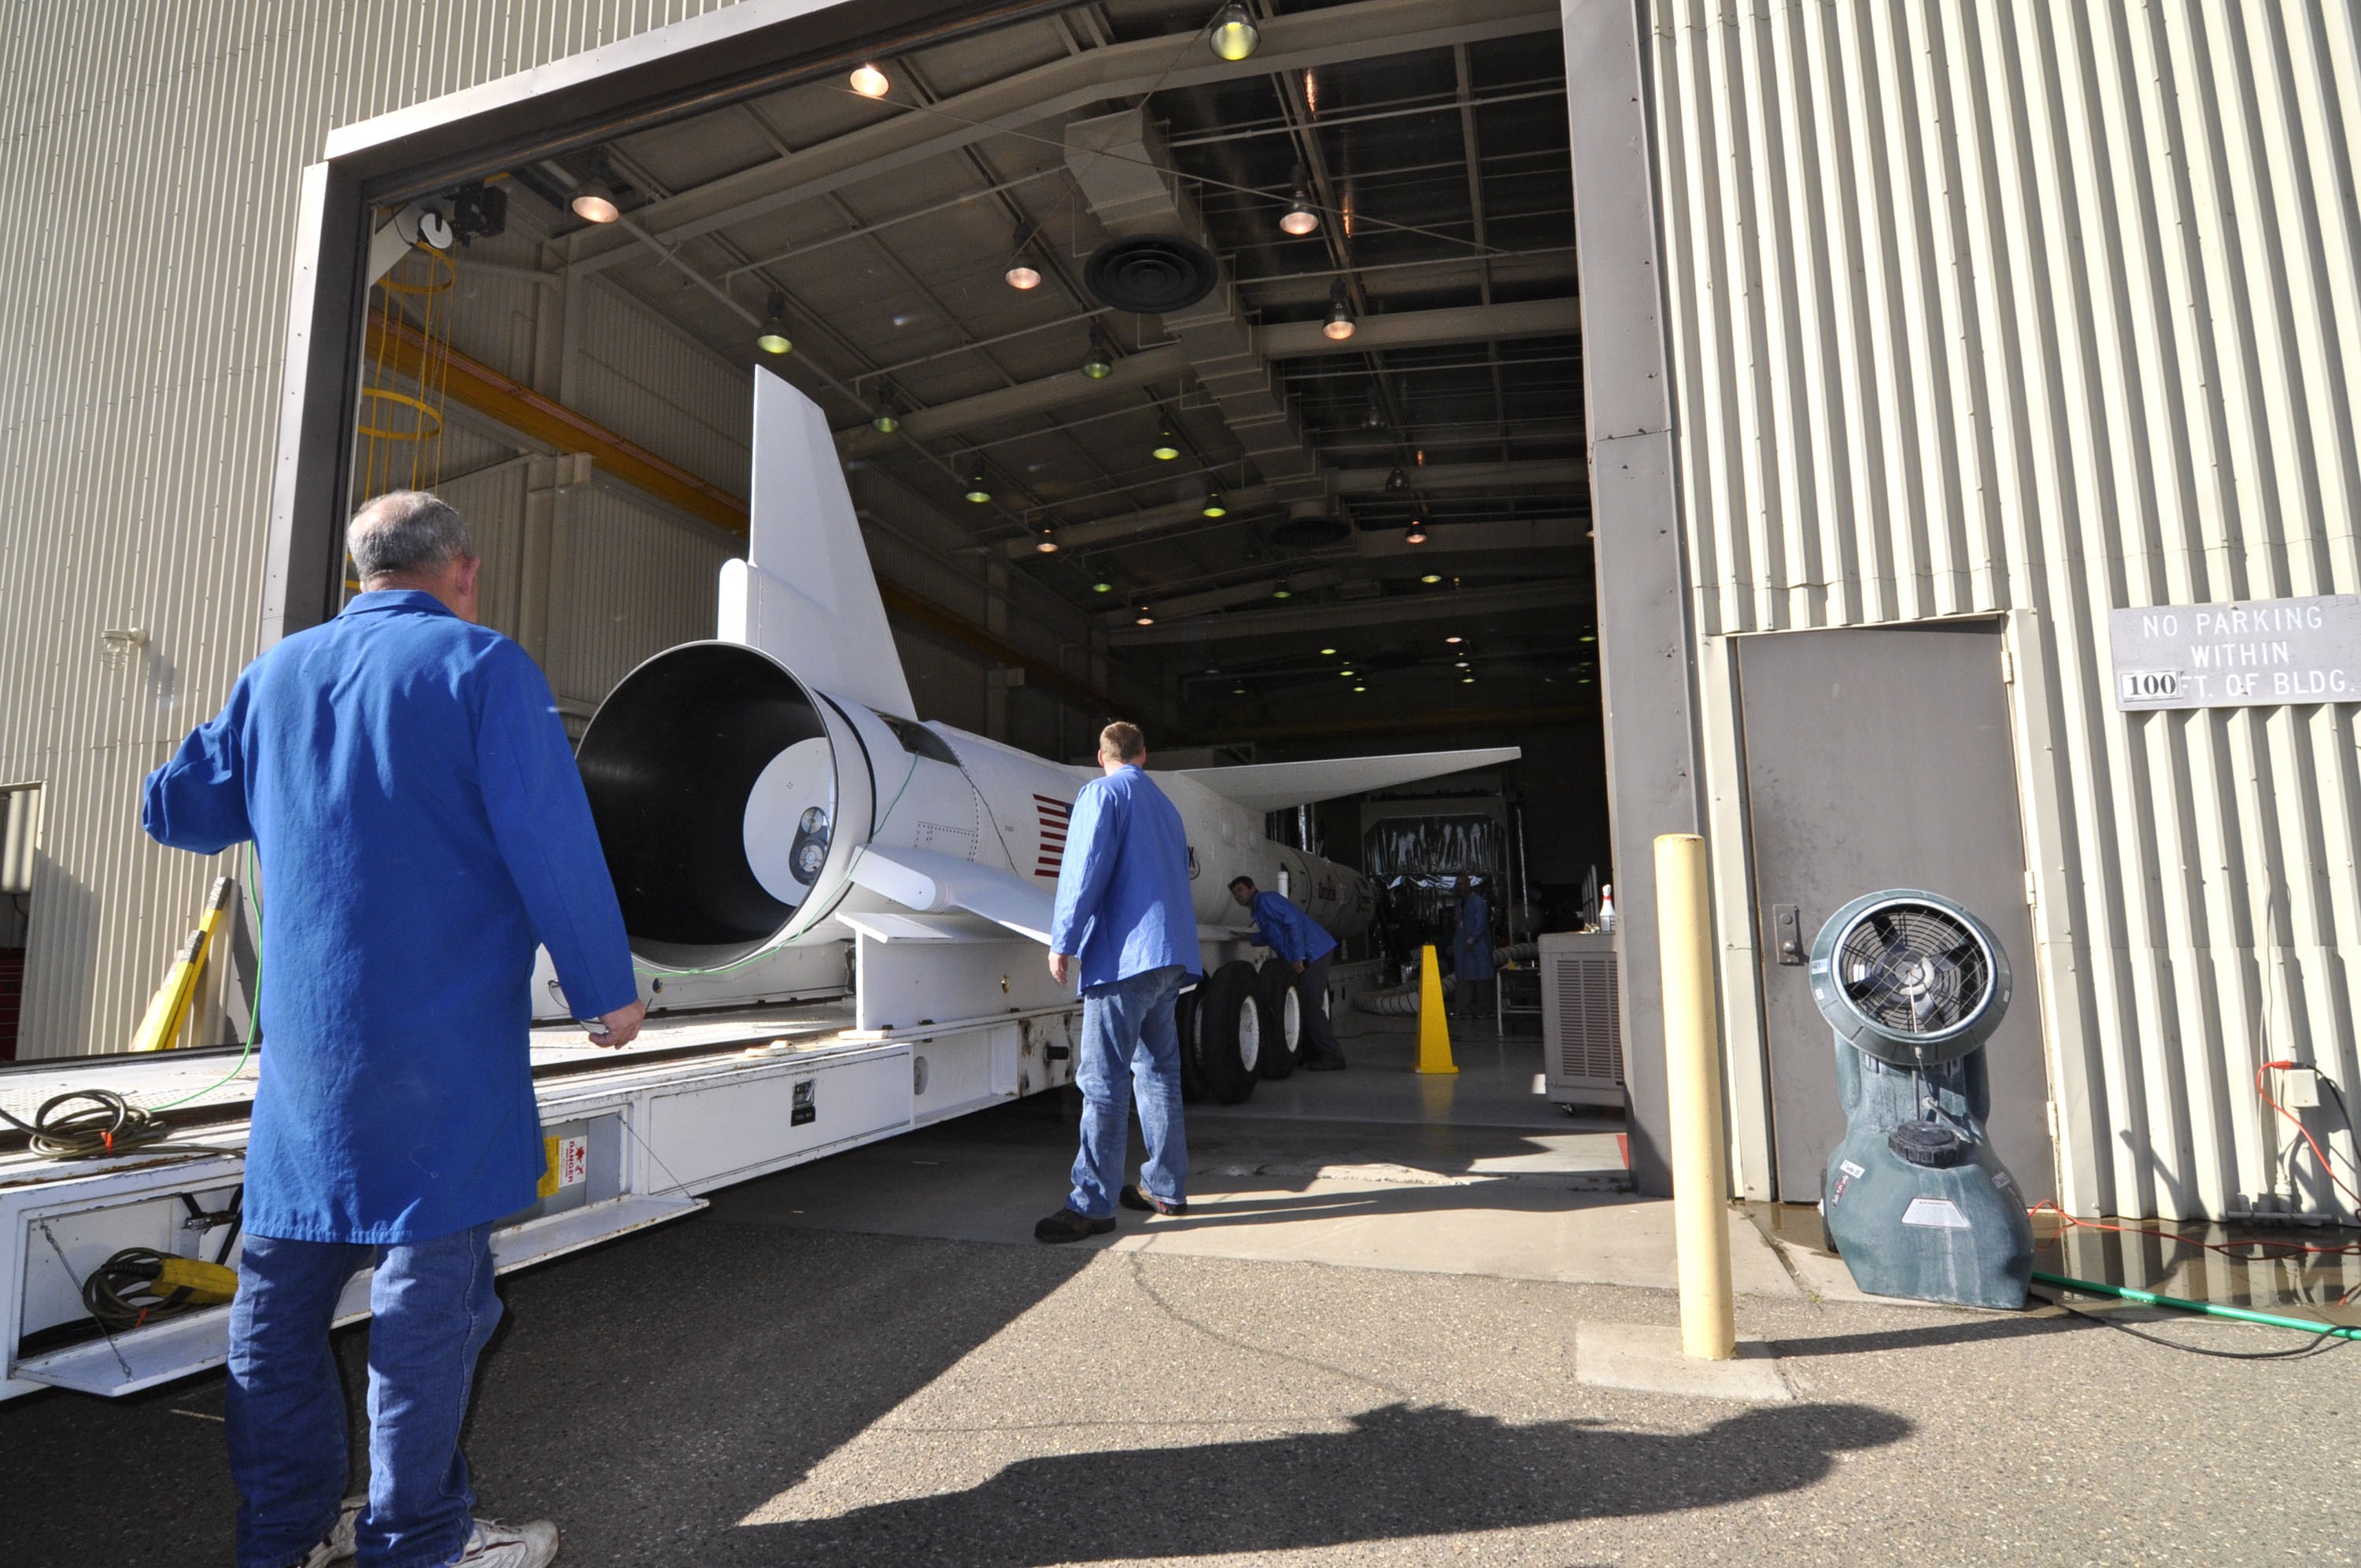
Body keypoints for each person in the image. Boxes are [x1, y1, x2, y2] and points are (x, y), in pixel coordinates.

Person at [143, 491, 645, 1568]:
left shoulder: (275, 673)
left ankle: (285, 1536)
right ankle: (417, 1540)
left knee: (280, 1302)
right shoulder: (483, 666)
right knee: (428, 1305)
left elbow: (174, 810)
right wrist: (606, 987)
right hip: (442, 1051)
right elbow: (549, 839)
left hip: (310, 1060)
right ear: (461, 570)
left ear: (360, 572)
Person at [1036, 721, 1199, 1241]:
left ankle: (1092, 1203)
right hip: (1169, 957)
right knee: (1159, 1073)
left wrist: (1062, 940)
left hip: (1124, 958)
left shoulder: (1101, 795)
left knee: (1103, 1081)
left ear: (1101, 756)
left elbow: (1084, 869)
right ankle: (1165, 1188)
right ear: (1144, 755)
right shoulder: (1168, 809)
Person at [1226, 876, 1347, 1071]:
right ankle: (1313, 1052)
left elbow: (1293, 922)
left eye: (1240, 890)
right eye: (1235, 893)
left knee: (1310, 1004)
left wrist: (1298, 956)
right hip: (1309, 953)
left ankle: (1334, 1056)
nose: (1238, 896)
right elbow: (1274, 935)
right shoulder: (1259, 910)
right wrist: (1250, 937)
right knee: (1304, 1003)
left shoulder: (1267, 900)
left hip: (1315, 952)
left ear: (1253, 887)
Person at [1452, 873, 1497, 1022]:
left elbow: (1481, 923)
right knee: (1465, 979)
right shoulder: (1461, 903)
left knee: (1482, 980)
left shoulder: (1477, 903)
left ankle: (1486, 1010)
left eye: (1461, 884)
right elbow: (1459, 925)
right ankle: (1463, 1009)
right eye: (1458, 884)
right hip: (1464, 947)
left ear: (1468, 884)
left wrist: (1472, 940)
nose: (1459, 887)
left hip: (1478, 947)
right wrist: (1455, 944)